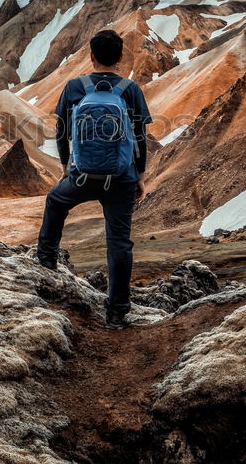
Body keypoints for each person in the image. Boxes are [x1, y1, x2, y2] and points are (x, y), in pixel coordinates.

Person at [36, 29, 152, 329]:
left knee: (55, 200)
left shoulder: (75, 86)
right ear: (121, 57)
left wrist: (66, 166)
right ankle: (116, 312)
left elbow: (61, 131)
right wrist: (139, 175)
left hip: (83, 174)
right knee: (119, 242)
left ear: (91, 56)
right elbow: (140, 137)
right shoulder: (131, 89)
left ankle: (46, 262)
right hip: (122, 177)